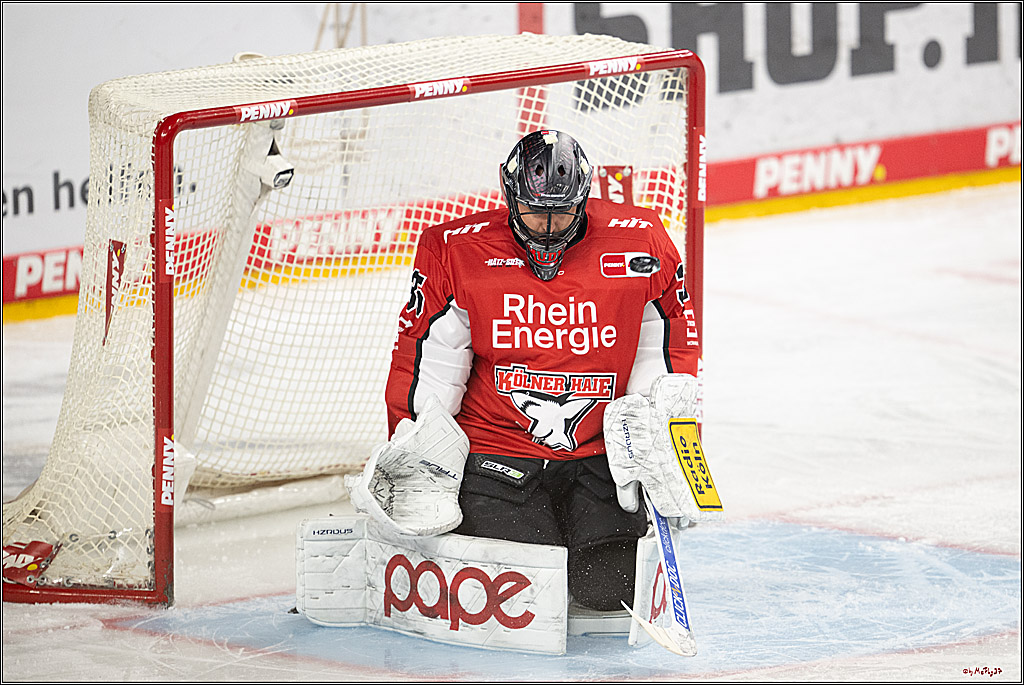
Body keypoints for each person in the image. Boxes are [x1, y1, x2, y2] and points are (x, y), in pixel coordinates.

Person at [382, 129, 700, 612]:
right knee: (525, 590)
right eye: (535, 212)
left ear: (583, 200)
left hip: (601, 459)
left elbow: (667, 344)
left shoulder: (643, 242)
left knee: (608, 592)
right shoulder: (457, 251)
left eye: (562, 212)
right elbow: (429, 364)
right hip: (497, 453)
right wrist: (415, 454)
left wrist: (667, 437)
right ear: (510, 199)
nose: (548, 227)